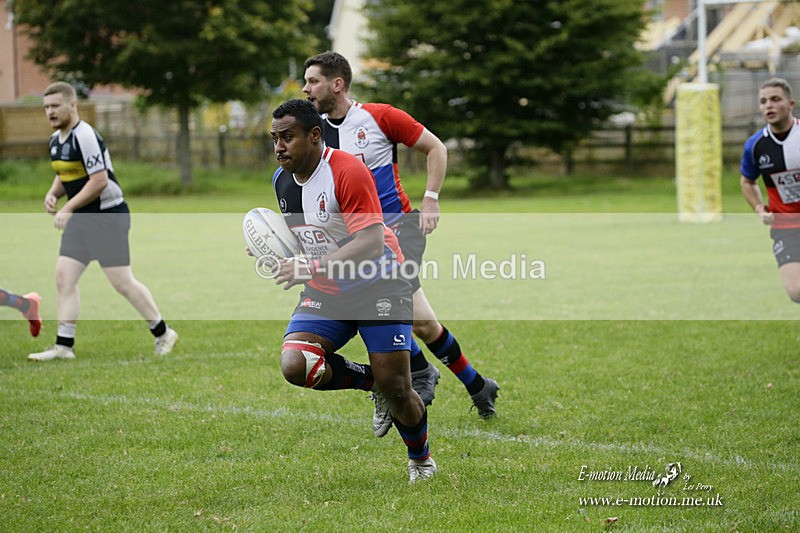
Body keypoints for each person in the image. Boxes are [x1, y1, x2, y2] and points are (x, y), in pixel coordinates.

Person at [302, 51, 499, 436]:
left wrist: (431, 198)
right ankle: (476, 384)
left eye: (313, 81)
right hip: (357, 242)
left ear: (337, 84)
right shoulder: (315, 134)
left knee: (383, 309)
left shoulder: (379, 116)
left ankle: (422, 373)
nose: (305, 88)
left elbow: (436, 148)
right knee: (422, 323)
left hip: (398, 231)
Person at [267, 98, 436, 482]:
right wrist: (274, 248)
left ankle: (420, 460)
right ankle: (370, 382)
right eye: (274, 138)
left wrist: (308, 266)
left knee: (399, 387)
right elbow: (308, 237)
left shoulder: (347, 170)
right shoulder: (282, 181)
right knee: (297, 364)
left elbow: (371, 241)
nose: (279, 146)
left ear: (314, 135)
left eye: (287, 137)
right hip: (329, 290)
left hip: (380, 282)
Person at [28, 81, 178, 362]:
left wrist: (68, 207)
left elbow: (99, 180)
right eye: (46, 107)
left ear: (72, 105)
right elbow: (66, 173)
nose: (50, 111)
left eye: (55, 106)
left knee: (122, 282)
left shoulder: (85, 135)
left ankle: (163, 332)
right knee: (64, 277)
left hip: (107, 216)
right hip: (83, 218)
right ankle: (64, 346)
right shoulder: (55, 140)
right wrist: (52, 194)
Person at [741, 77, 800, 303]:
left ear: (790, 104)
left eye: (775, 99)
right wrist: (758, 208)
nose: (769, 105)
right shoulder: (755, 145)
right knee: (795, 291)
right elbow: (747, 181)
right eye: (763, 101)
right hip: (786, 226)